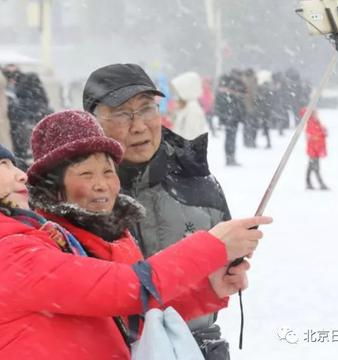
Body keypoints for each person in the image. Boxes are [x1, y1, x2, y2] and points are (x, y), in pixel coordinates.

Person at [0, 111, 271, 359]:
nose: (20, 175)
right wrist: (211, 246)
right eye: (2, 165)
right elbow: (124, 289)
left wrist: (209, 290)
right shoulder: (4, 253)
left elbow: (117, 312)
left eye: (108, 171)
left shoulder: (10, 237)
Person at [81, 63, 239, 358]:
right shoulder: (77, 194)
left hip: (196, 345)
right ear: (93, 122)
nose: (138, 125)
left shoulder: (197, 179)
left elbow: (225, 263)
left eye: (146, 109)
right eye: (121, 114)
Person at [215, 72, 247, 166]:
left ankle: (230, 157)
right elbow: (235, 107)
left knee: (230, 138)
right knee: (231, 138)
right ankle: (230, 158)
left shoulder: (222, 93)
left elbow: (219, 108)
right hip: (232, 118)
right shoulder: (228, 95)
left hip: (229, 118)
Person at [170, 71, 208, 140]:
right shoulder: (185, 107)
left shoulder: (192, 110)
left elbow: (191, 137)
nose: (176, 97)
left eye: (178, 92)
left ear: (186, 90)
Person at [303, 108, 329, 190]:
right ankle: (321, 183)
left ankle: (308, 183)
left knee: (311, 167)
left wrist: (324, 132)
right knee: (315, 168)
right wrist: (322, 133)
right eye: (315, 114)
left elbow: (320, 133)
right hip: (313, 150)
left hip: (317, 150)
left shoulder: (317, 122)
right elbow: (313, 136)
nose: (317, 115)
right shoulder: (311, 123)